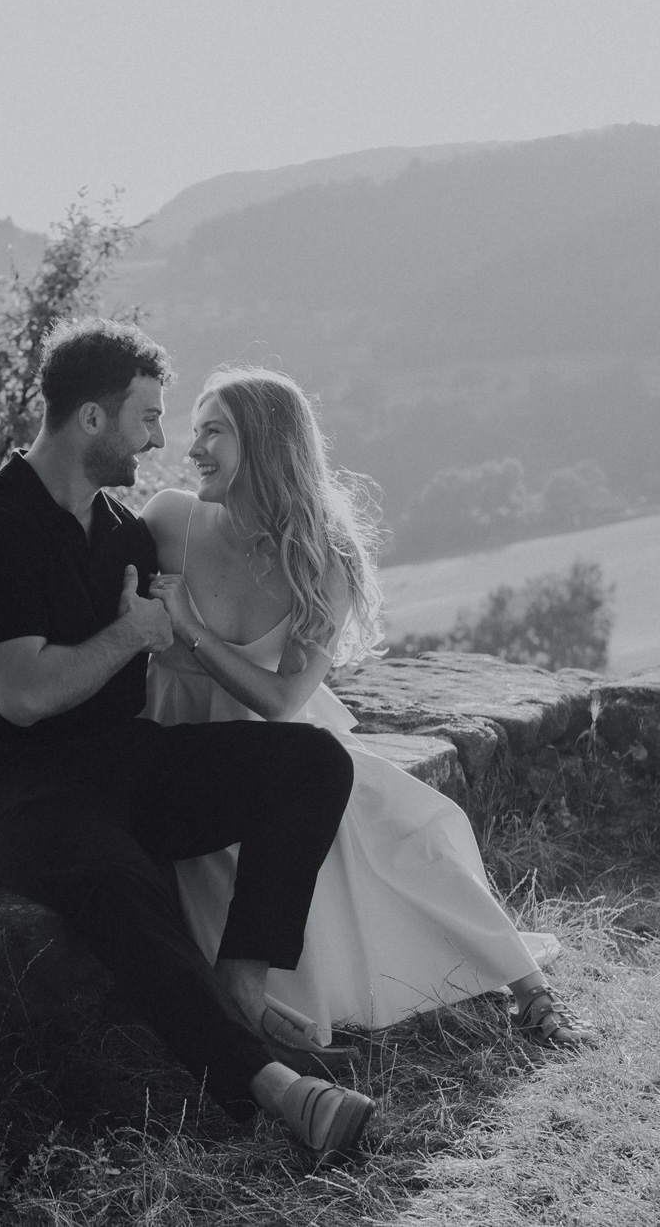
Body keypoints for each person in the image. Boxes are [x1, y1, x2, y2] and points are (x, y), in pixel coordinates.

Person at [0, 320, 377, 1162]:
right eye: (147, 417)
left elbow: (221, 578)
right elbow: (22, 697)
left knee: (311, 762)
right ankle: (278, 1090)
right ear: (92, 420)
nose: (161, 440)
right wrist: (133, 634)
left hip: (117, 762)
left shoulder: (122, 530)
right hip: (5, 788)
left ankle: (244, 973)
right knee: (117, 876)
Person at [141, 367, 599, 1048]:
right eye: (195, 428)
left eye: (216, 430)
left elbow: (282, 699)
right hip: (180, 745)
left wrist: (194, 630)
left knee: (402, 828)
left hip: (283, 738)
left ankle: (528, 986)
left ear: (265, 444)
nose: (195, 446)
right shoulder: (167, 518)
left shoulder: (327, 557)